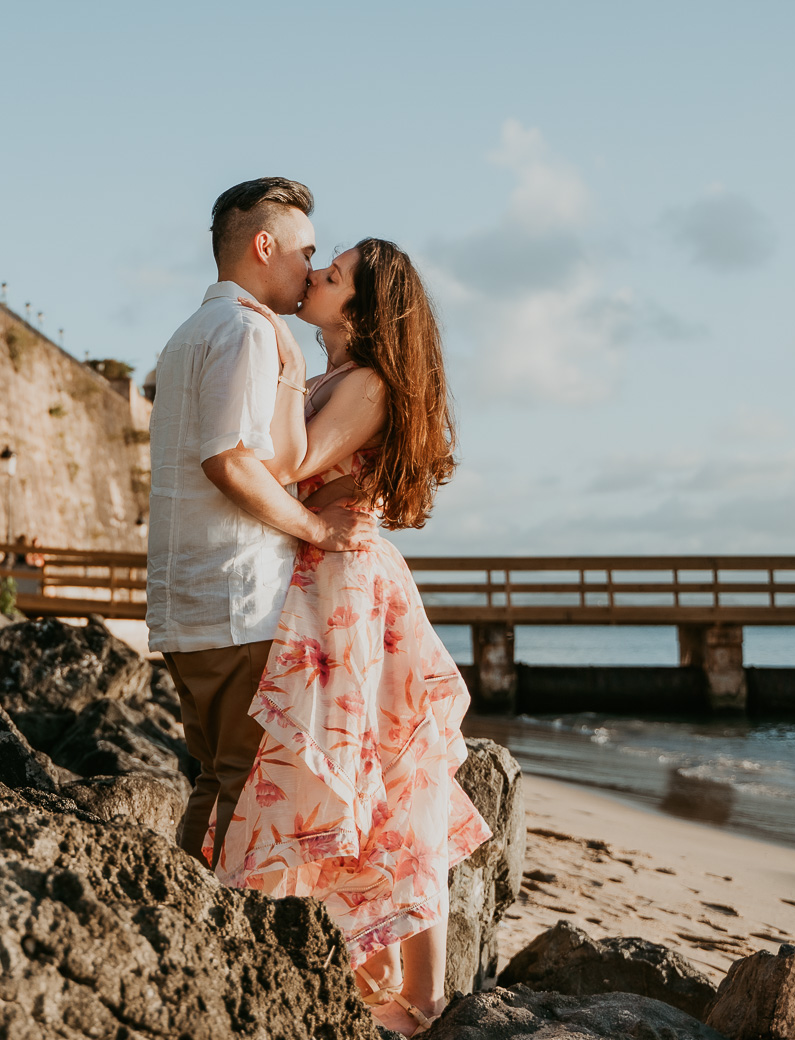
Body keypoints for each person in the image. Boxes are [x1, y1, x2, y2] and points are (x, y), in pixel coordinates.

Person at [214, 238, 490, 1035]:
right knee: (352, 775)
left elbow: (290, 465)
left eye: (333, 275)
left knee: (399, 781)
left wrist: (275, 361)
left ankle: (424, 994)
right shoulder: (339, 375)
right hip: (327, 586)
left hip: (352, 594)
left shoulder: (364, 382)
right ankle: (383, 982)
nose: (315, 275)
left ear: (363, 310)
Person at [145, 177, 377, 877]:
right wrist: (313, 525)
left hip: (189, 601)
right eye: (307, 252)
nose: (312, 268)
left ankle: (183, 918)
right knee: (244, 784)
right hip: (236, 599)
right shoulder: (248, 329)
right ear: (263, 245)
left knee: (216, 777)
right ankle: (211, 934)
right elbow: (230, 462)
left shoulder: (191, 332)